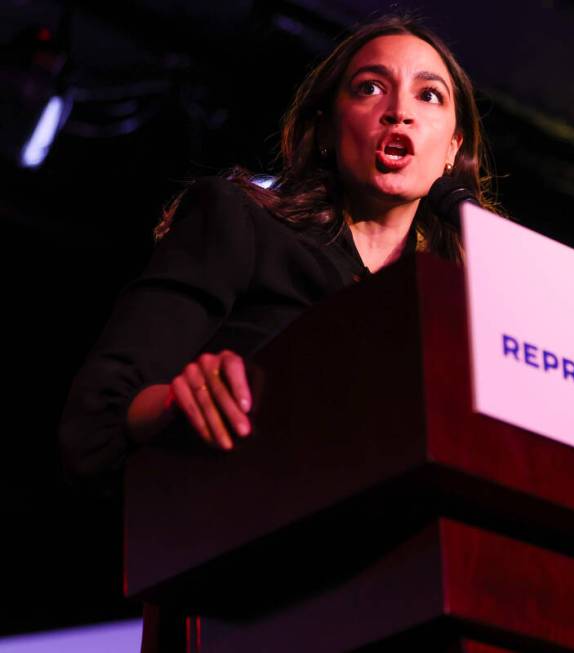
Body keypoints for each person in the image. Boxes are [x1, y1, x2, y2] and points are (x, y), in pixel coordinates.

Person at [57, 13, 503, 505]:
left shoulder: (462, 311)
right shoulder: (239, 222)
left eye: (429, 94)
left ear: (452, 149)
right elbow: (95, 421)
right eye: (370, 88)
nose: (400, 111)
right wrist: (176, 402)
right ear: (328, 130)